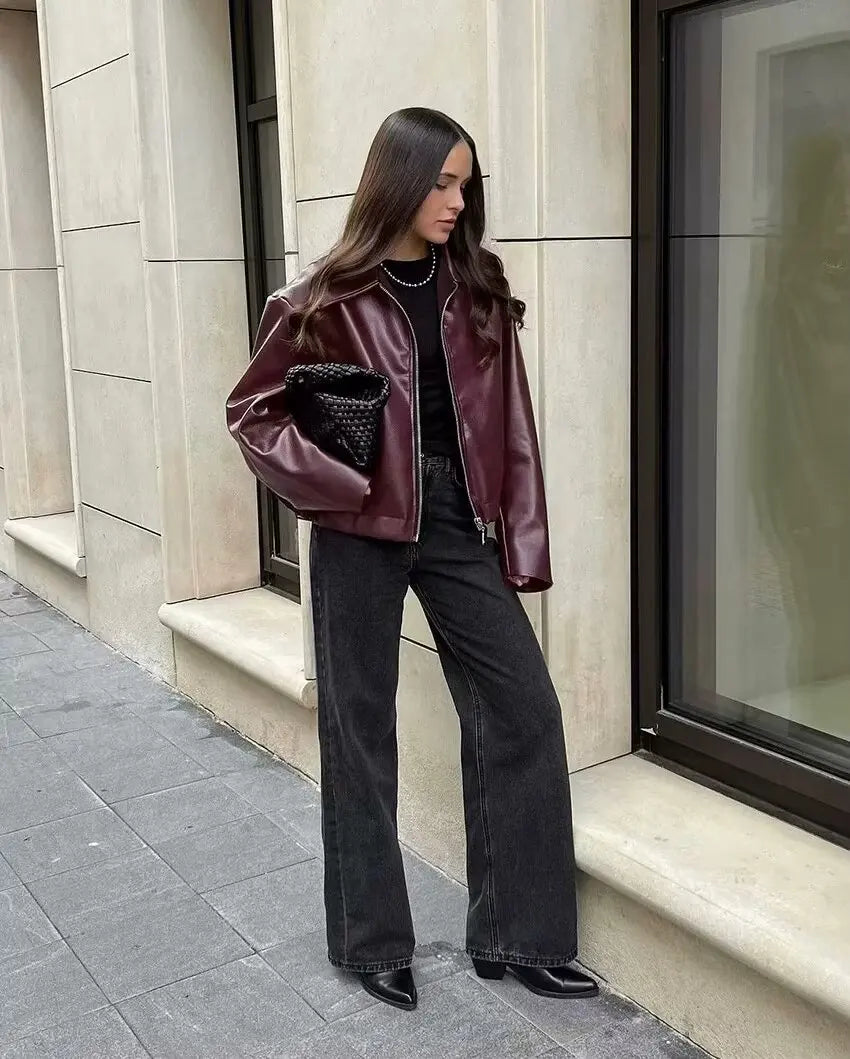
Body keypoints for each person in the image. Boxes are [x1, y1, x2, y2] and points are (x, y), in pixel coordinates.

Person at [226, 107, 597, 1012]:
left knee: (524, 707)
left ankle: (520, 933)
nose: (457, 200)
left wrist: (523, 540)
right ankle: (372, 940)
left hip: (457, 521)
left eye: (465, 183)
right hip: (358, 527)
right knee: (359, 728)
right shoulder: (322, 298)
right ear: (398, 180)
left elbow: (513, 427)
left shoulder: (476, 287)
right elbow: (252, 412)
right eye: (441, 182)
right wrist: (337, 485)